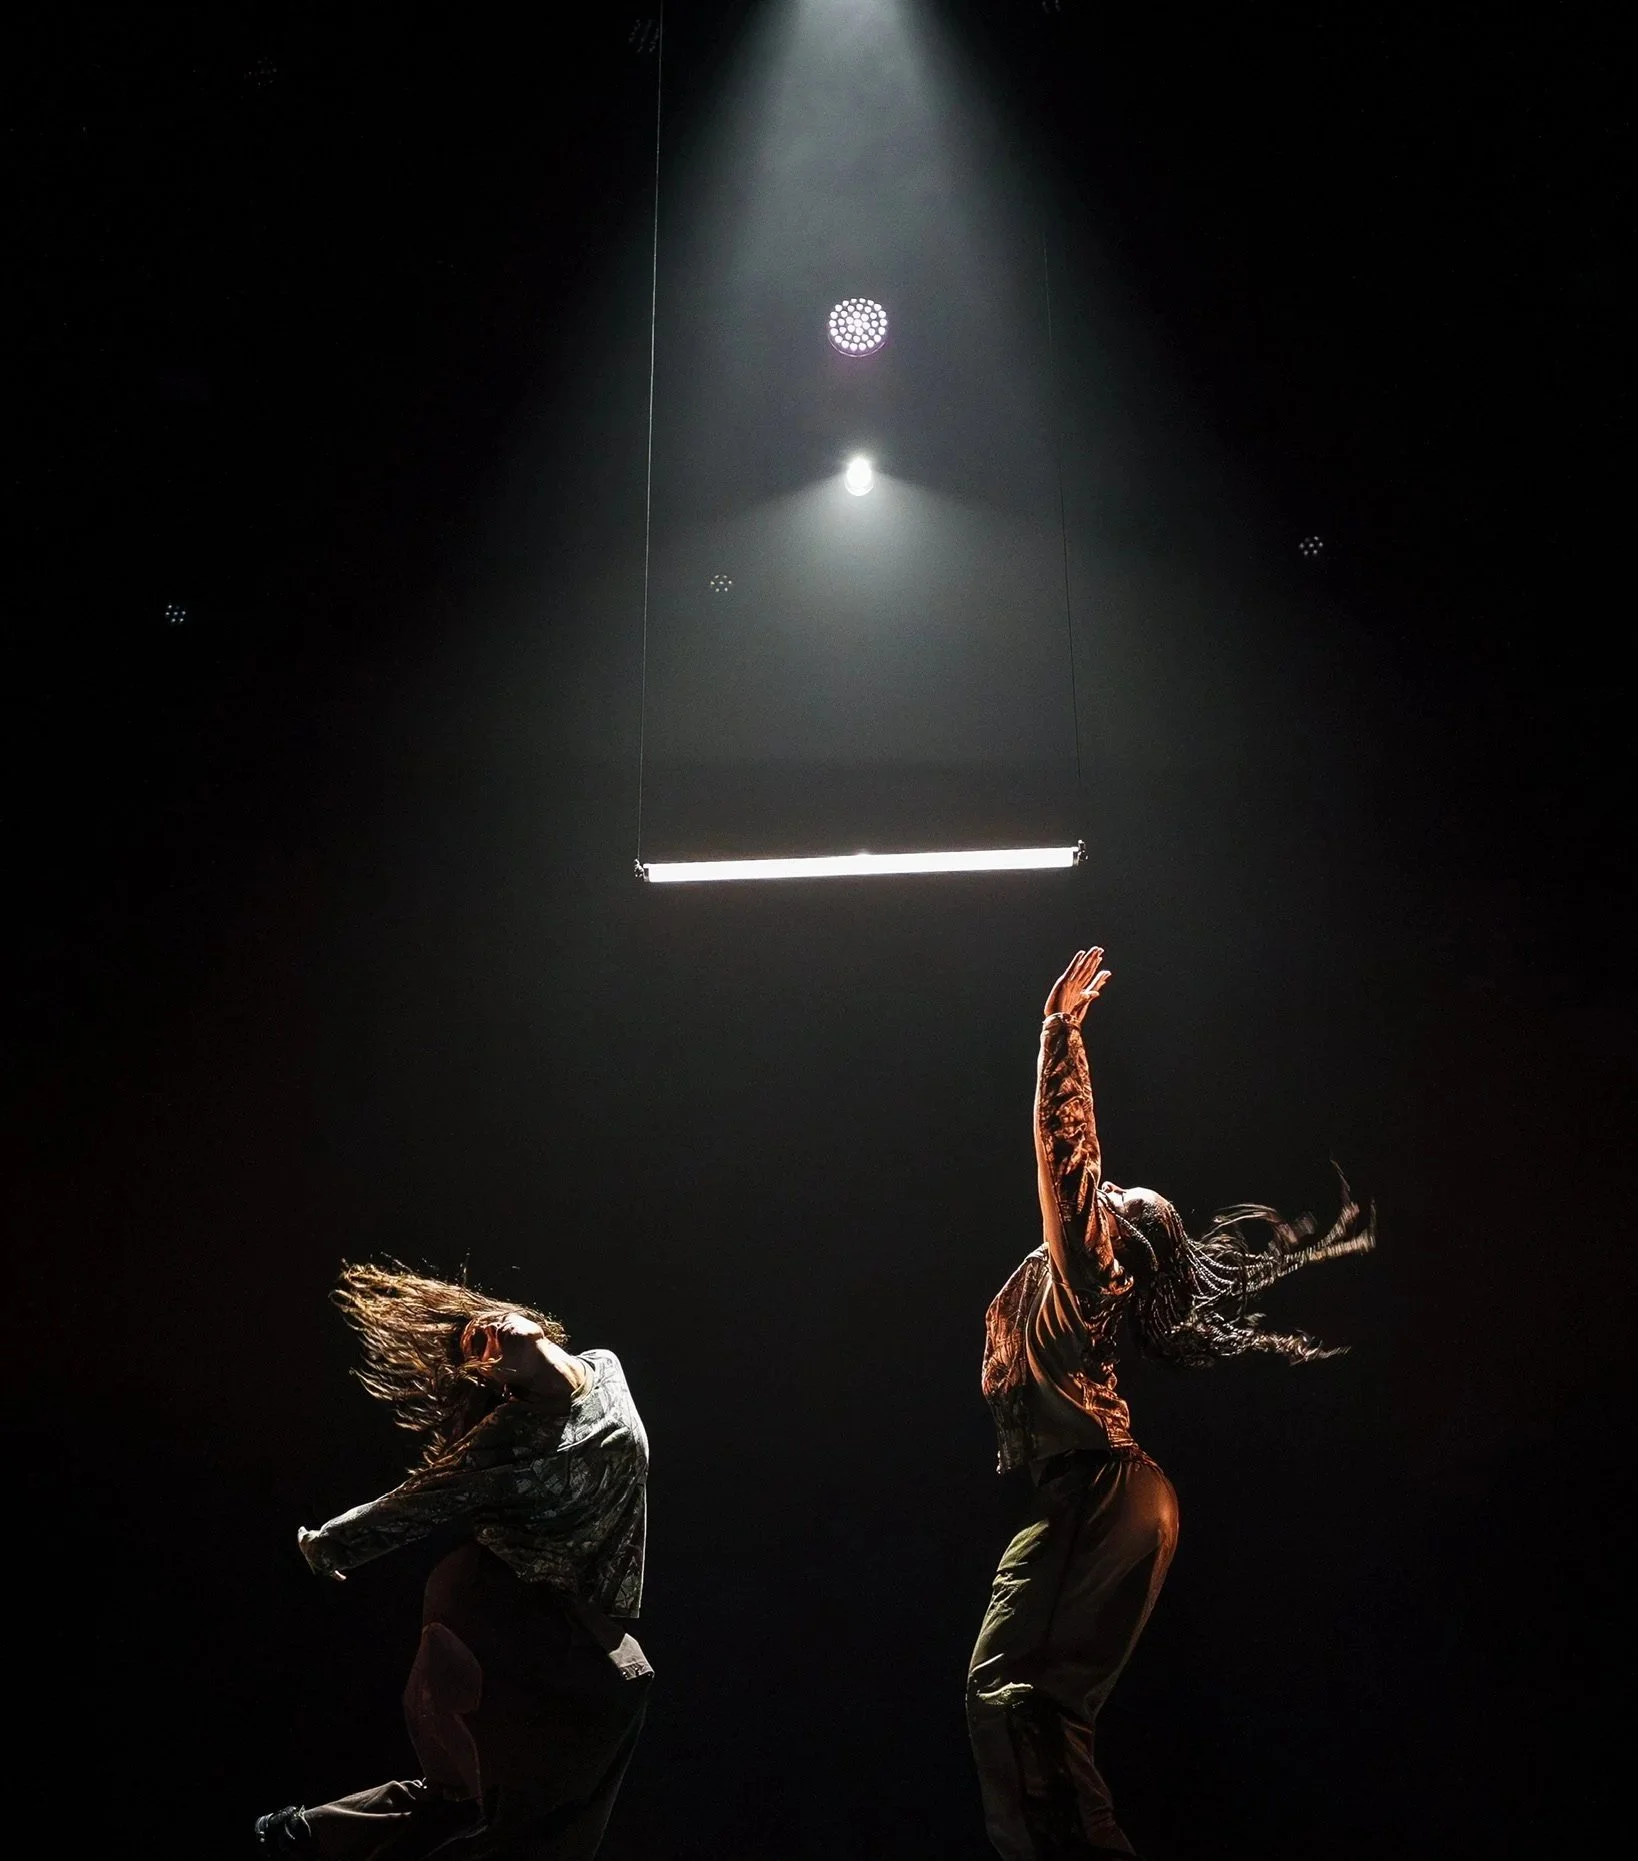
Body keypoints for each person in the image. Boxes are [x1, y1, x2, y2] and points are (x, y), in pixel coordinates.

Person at [967, 948, 1375, 1860]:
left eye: (1115, 1198)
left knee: (1008, 1691)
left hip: (1100, 1490)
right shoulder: (1082, 1291)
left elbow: (1069, 1158)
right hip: (1124, 1498)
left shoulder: (1091, 1269)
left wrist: (1060, 1035)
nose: (1103, 1191)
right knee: (1045, 1711)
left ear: (1120, 1237)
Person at [255, 1263, 652, 1858]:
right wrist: (330, 1543)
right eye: (480, 1349)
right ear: (495, 1378)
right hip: (499, 1601)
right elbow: (420, 1499)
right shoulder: (509, 1435)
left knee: (468, 1798)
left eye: (484, 1327)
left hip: (561, 1610)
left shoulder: (605, 1366)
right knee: (547, 1771)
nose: (491, 1335)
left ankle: (305, 1837)